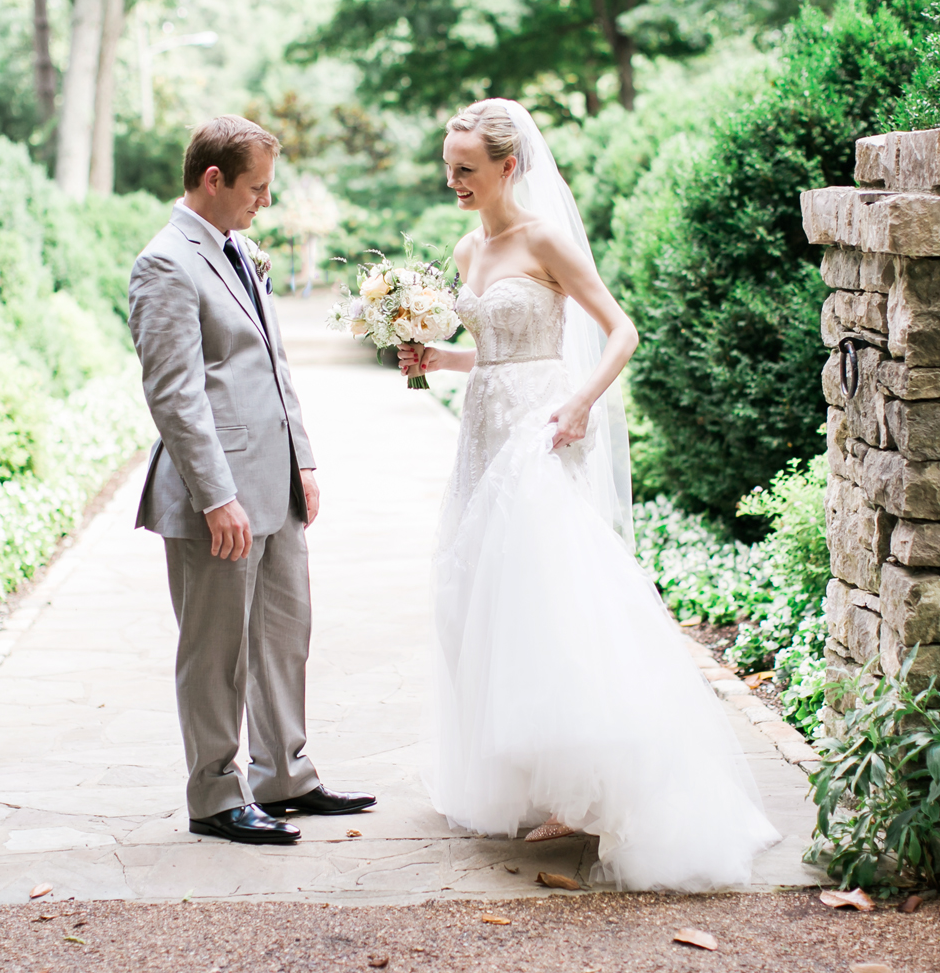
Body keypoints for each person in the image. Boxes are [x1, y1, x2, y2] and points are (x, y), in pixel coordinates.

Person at [396, 99, 781, 890]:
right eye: (448, 167)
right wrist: (439, 358)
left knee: (552, 594)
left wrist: (580, 403)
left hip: (542, 430)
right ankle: (539, 777)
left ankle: (590, 785)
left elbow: (622, 330)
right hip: (483, 432)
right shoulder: (470, 246)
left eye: (466, 168)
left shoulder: (545, 238)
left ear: (508, 166)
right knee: (482, 596)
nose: (454, 181)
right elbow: (494, 353)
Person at [128, 115, 375, 845]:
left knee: (283, 634)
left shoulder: (238, 249)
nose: (263, 201)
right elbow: (175, 392)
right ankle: (215, 793)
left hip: (277, 483)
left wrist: (303, 459)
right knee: (217, 650)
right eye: (256, 188)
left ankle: (285, 774)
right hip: (218, 498)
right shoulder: (165, 262)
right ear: (214, 180)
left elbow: (273, 362)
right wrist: (217, 496)